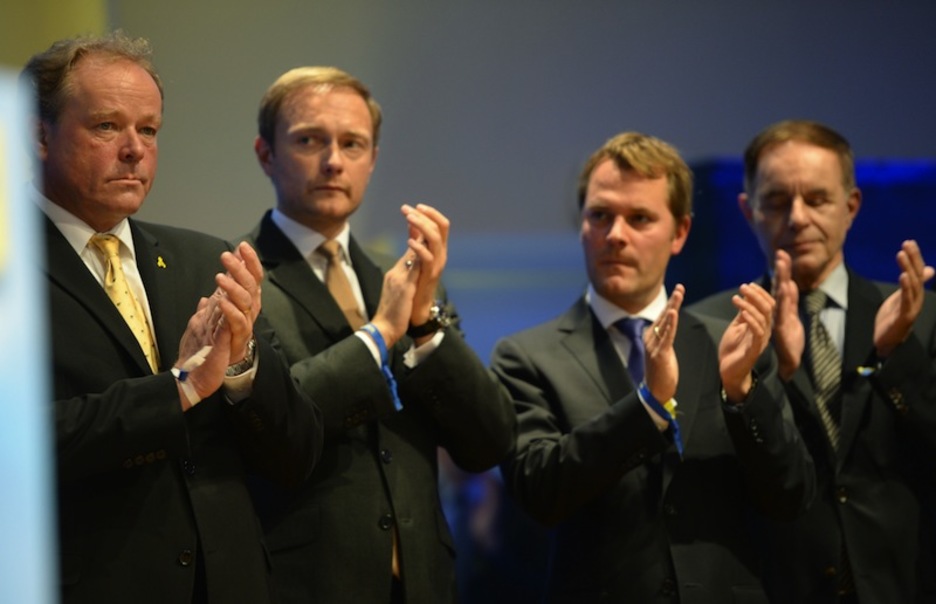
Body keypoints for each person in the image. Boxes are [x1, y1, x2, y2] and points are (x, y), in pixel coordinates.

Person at [23, 32, 323, 603]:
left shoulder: (206, 263)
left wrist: (240, 370)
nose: (135, 149)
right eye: (107, 126)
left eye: (149, 130)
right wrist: (178, 391)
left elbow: (297, 455)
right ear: (38, 135)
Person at [491, 132, 815, 602]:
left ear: (680, 232)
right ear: (582, 225)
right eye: (600, 215)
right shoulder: (527, 357)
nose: (615, 235)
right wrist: (647, 406)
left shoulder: (732, 344)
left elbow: (791, 495)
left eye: (639, 218)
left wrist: (742, 393)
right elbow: (540, 494)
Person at [241, 66, 516, 603]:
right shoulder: (237, 278)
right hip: (302, 583)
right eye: (309, 140)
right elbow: (276, 432)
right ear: (265, 154)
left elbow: (490, 441)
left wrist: (421, 324)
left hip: (422, 581)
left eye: (352, 143)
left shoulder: (404, 281)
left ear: (373, 159)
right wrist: (383, 330)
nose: (334, 161)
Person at [691, 119, 936, 604]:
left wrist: (894, 354)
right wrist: (778, 376)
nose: (798, 218)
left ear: (851, 207)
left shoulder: (921, 319)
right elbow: (713, 486)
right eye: (778, 201)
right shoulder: (710, 329)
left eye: (818, 199)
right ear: (748, 211)